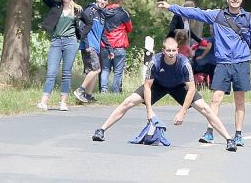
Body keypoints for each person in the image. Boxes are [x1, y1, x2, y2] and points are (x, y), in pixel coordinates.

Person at [159, 0, 251, 147]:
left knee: (239, 99)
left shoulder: (249, 18)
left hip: (241, 62)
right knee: (216, 98)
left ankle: (238, 134)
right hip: (223, 63)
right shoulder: (217, 15)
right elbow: (195, 12)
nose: (235, 0)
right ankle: (209, 132)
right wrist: (171, 7)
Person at [92, 37, 237, 152]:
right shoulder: (154, 62)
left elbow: (191, 89)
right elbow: (147, 87)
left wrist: (182, 112)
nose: (171, 53)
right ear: (163, 50)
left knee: (206, 109)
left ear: (178, 50)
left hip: (179, 86)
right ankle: (101, 130)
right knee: (128, 101)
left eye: (174, 51)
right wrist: (149, 111)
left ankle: (229, 139)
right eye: (168, 51)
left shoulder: (184, 63)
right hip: (158, 85)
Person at [37, 0, 84, 111]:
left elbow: (89, 22)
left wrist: (82, 35)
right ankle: (43, 102)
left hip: (71, 42)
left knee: (66, 73)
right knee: (51, 72)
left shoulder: (77, 9)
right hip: (57, 41)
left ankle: (63, 102)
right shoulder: (56, 6)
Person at [72, 0, 107, 104]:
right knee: (96, 69)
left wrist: (109, 49)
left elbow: (103, 34)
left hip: (96, 46)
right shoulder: (90, 10)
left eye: (105, 0)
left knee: (92, 72)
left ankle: (88, 95)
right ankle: (80, 90)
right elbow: (83, 28)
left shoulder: (102, 14)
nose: (102, 2)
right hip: (89, 45)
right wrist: (86, 44)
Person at [99, 0, 132, 93]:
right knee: (118, 72)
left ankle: (103, 91)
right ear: (120, 0)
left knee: (105, 69)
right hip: (119, 46)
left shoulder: (102, 12)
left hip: (105, 45)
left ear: (109, 0)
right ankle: (115, 92)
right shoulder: (123, 13)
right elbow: (130, 28)